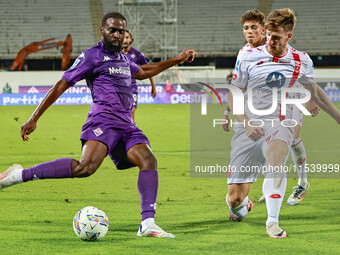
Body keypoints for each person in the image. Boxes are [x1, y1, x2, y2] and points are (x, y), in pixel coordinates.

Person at [0, 12, 197, 238]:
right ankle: (19, 175)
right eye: (112, 30)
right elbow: (61, 85)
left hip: (127, 124)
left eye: (121, 31)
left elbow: (142, 72)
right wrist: (34, 117)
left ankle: (148, 223)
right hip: (103, 120)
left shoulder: (123, 59)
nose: (117, 35)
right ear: (102, 31)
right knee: (86, 168)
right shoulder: (91, 56)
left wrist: (177, 60)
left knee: (148, 160)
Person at [225, 8, 340, 238]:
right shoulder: (247, 55)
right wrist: (245, 123)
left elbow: (314, 92)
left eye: (277, 36)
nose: (270, 40)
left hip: (280, 121)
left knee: (276, 160)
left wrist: (337, 117)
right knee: (234, 199)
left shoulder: (301, 59)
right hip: (249, 123)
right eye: (268, 34)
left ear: (289, 35)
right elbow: (234, 92)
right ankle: (244, 204)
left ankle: (272, 222)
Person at [223, 9, 320, 205]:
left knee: (291, 139)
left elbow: (299, 71)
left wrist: (311, 98)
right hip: (258, 109)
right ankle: (267, 186)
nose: (250, 32)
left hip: (288, 101)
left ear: (263, 29)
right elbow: (237, 88)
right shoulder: (246, 53)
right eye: (246, 28)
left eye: (254, 28)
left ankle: (301, 182)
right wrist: (228, 112)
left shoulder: (278, 45)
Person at [121, 30, 157, 122]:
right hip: (119, 87)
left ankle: (131, 131)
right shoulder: (115, 54)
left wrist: (153, 87)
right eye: (123, 38)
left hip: (132, 86)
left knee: (132, 110)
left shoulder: (137, 54)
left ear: (131, 40)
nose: (125, 40)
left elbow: (148, 70)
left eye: (127, 38)